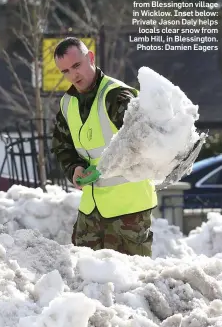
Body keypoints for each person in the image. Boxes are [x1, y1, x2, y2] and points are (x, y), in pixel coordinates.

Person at [51, 37, 157, 256]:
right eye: (65, 71)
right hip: (91, 212)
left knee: (131, 282)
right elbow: (62, 145)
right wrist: (74, 168)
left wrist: (107, 165)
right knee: (85, 279)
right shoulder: (67, 103)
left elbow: (140, 140)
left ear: (90, 57)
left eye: (77, 65)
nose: (73, 75)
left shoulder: (116, 96)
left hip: (129, 212)